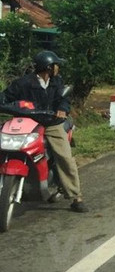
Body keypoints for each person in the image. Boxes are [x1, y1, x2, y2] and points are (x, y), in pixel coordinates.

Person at [2, 50, 88, 212]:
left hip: (51, 123)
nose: (58, 68)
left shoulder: (57, 82)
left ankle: (76, 196)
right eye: (56, 65)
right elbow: (5, 97)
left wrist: (62, 109)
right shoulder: (23, 83)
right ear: (48, 67)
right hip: (27, 122)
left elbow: (64, 100)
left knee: (64, 156)